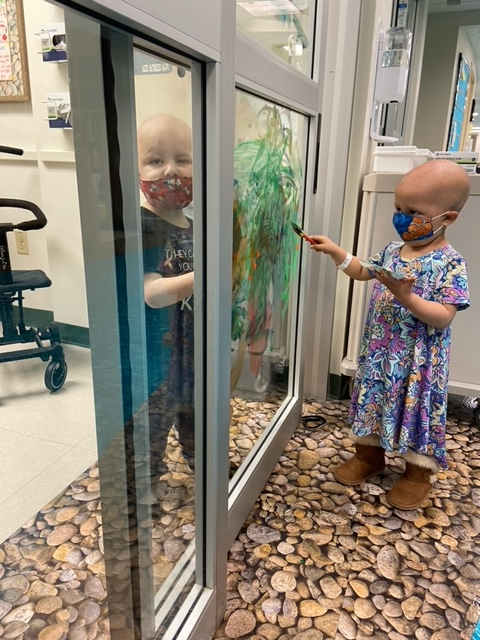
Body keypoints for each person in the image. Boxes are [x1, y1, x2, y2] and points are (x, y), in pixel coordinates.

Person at [310, 159, 470, 510]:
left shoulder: (451, 262)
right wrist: (336, 251)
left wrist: (407, 296)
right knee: (370, 398)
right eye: (398, 208)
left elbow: (444, 317)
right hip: (381, 355)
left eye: (413, 211)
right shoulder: (391, 251)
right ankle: (369, 456)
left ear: (448, 217)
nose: (401, 217)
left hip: (419, 363)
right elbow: (363, 271)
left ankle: (417, 474)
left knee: (417, 410)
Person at [138, 113, 195, 482]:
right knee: (155, 418)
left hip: (193, 348)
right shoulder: (143, 225)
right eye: (156, 161)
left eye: (183, 159)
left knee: (195, 411)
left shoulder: (192, 223)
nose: (171, 172)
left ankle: (203, 464)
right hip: (158, 352)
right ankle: (144, 482)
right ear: (137, 168)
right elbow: (152, 294)